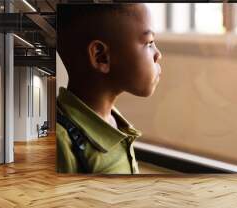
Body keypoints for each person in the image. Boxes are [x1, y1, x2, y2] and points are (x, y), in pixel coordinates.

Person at [56, 3, 162, 174]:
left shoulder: (114, 122)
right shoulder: (61, 144)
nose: (158, 54)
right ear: (101, 56)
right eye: (149, 43)